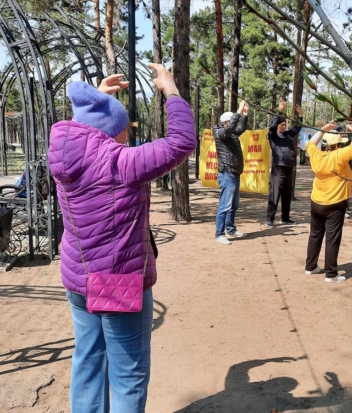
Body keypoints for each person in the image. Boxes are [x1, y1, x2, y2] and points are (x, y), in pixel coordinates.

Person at [47, 64, 196, 413]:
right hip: (116, 281)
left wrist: (98, 99)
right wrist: (171, 91)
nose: (128, 135)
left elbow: (86, 128)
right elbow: (181, 141)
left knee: (87, 360)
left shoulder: (63, 156)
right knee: (128, 374)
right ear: (113, 132)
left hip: (77, 277)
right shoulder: (121, 163)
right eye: (125, 129)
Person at [304, 123, 352, 283]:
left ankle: (310, 266)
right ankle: (331, 274)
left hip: (316, 201)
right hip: (335, 204)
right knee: (332, 239)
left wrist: (323, 129)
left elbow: (309, 144)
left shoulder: (316, 155)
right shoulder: (339, 156)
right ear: (337, 144)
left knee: (315, 235)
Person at [213, 100, 249, 245]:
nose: (233, 126)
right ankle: (219, 234)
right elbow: (231, 128)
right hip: (227, 174)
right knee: (225, 206)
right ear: (225, 123)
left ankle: (231, 229)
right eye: (231, 122)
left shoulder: (232, 134)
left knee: (234, 206)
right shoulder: (220, 133)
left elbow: (241, 128)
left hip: (234, 174)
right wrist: (239, 110)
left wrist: (245, 114)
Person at [265, 99, 303, 227]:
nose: (284, 126)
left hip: (289, 167)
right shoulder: (272, 135)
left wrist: (300, 114)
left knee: (287, 194)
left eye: (285, 124)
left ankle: (285, 217)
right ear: (277, 126)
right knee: (275, 194)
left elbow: (298, 127)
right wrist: (279, 110)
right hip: (278, 168)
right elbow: (271, 125)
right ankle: (270, 218)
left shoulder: (288, 135)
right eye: (281, 124)